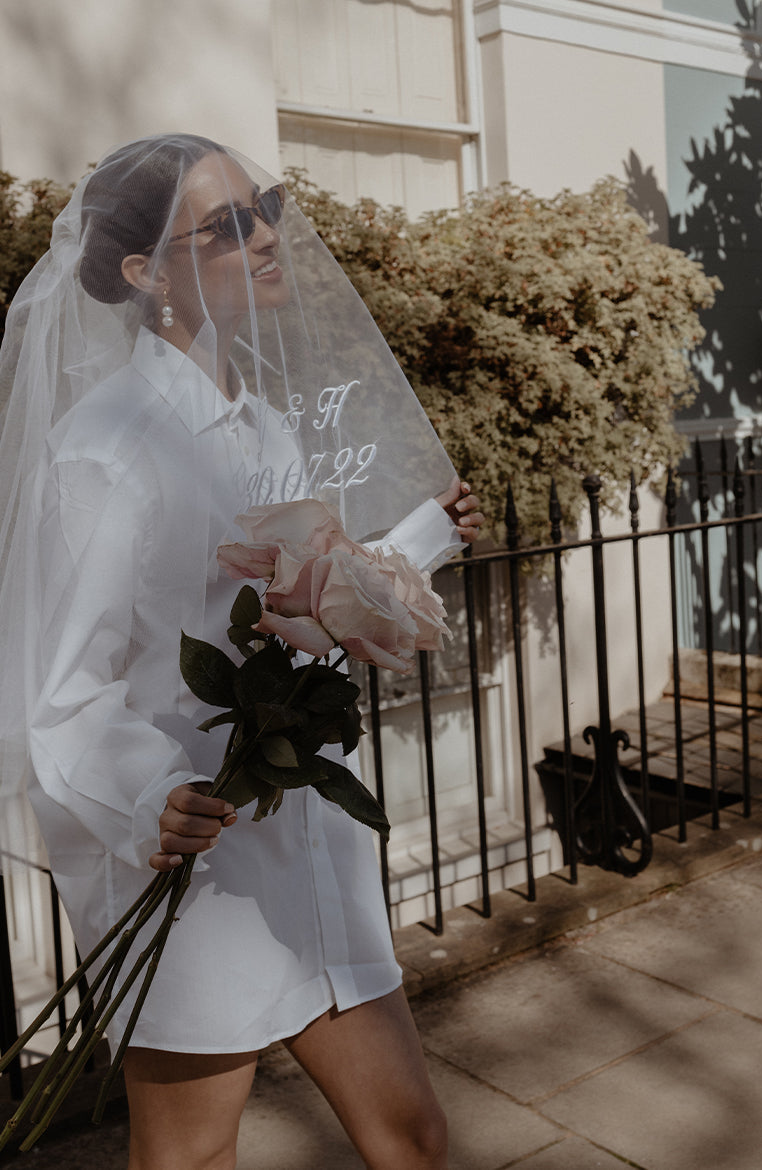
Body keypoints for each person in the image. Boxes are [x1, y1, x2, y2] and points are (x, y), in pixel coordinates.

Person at [0, 133, 483, 1170]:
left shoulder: (262, 424)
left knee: (414, 1135)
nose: (266, 235)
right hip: (194, 865)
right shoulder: (99, 455)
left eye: (262, 207)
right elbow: (60, 695)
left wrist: (417, 541)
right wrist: (149, 798)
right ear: (145, 274)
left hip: (309, 847)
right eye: (227, 225)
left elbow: (286, 608)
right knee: (189, 1160)